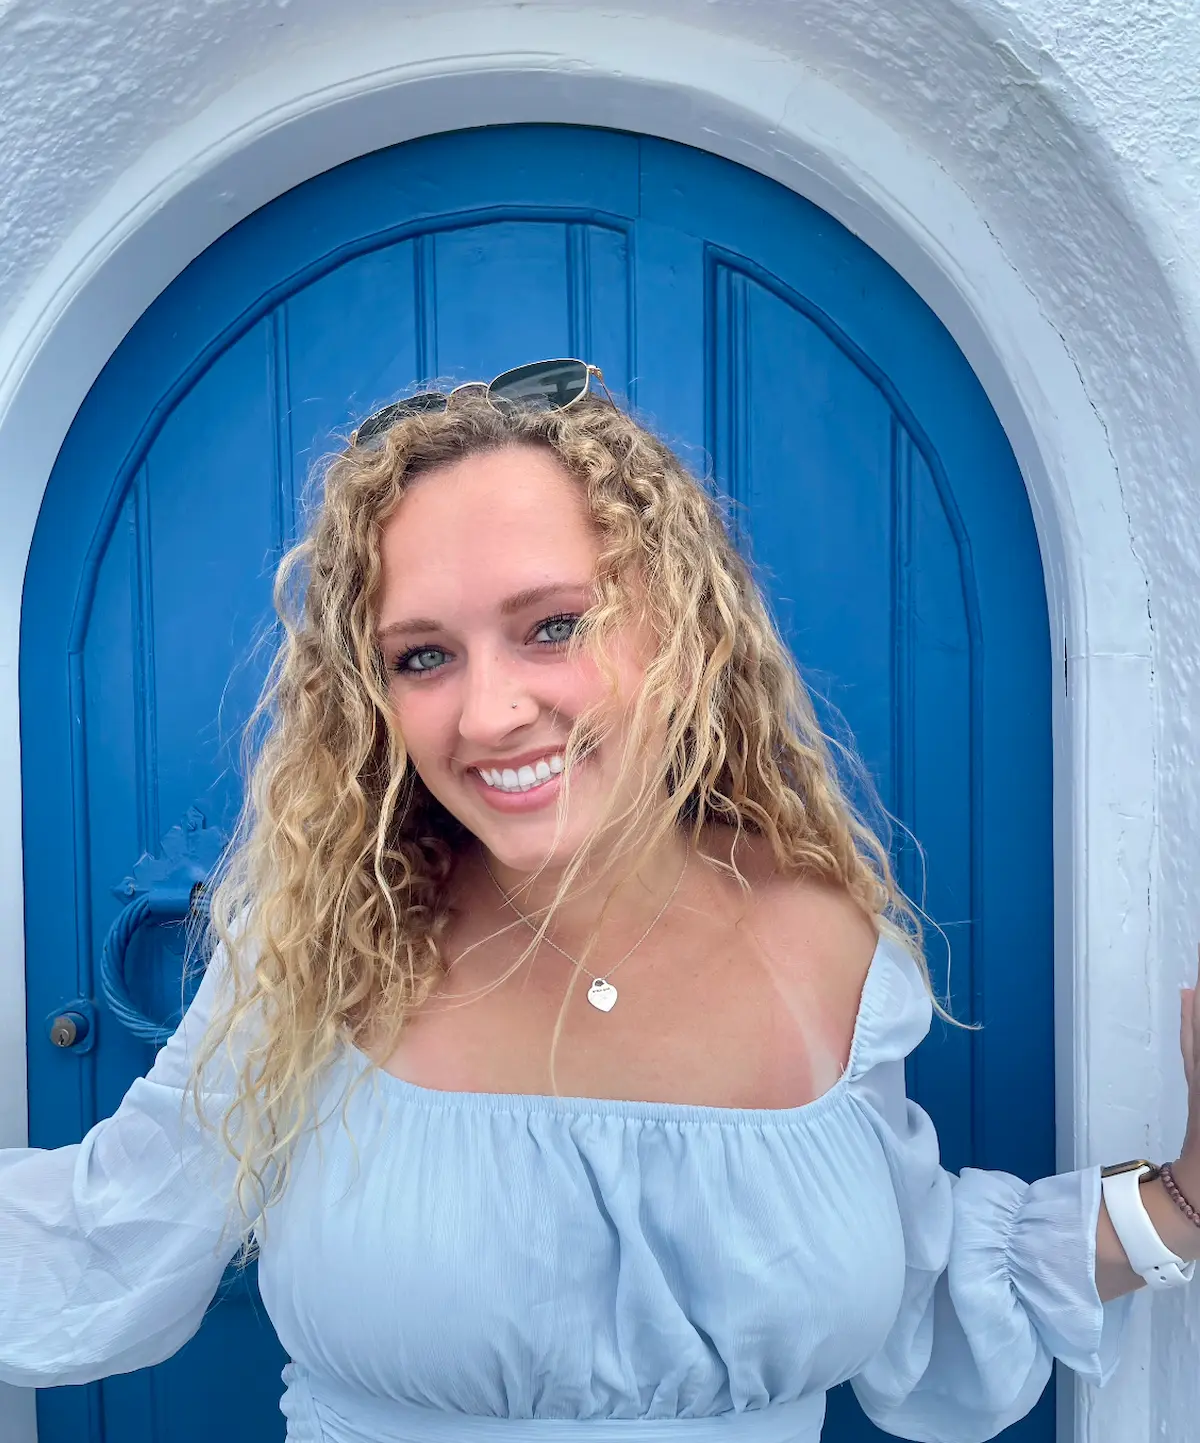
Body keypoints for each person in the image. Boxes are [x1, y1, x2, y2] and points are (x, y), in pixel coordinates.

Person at [1, 359, 1198, 1443]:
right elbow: (106, 1241)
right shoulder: (317, 947)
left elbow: (917, 1280)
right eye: (423, 656)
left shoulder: (829, 948)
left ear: (674, 627)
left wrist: (1184, 1202)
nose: (488, 714)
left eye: (553, 627)